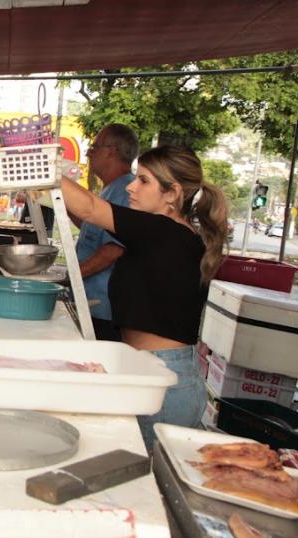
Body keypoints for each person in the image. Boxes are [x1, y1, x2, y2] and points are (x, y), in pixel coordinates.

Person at [61, 145, 228, 450]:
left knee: (141, 487)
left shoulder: (165, 232)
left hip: (166, 380)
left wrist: (43, 169)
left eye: (144, 181)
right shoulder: (165, 234)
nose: (131, 187)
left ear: (172, 193)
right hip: (152, 369)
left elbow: (90, 208)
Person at [74, 124, 138, 342]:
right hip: (91, 304)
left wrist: (70, 277)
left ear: (112, 151)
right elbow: (90, 227)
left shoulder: (126, 191)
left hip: (104, 310)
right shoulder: (109, 189)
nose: (89, 152)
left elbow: (113, 250)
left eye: (95, 147)